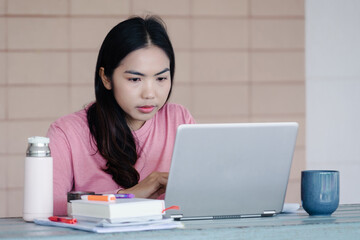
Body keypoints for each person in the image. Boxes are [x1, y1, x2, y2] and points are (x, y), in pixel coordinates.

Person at [47, 16, 195, 216]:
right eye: (135, 79)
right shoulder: (67, 133)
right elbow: (48, 209)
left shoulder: (179, 120)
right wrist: (128, 196)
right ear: (106, 78)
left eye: (161, 78)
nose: (150, 93)